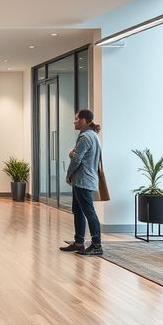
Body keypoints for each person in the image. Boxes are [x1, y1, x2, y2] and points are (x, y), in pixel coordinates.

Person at [59, 109, 103, 256]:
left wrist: (68, 173)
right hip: (83, 179)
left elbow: (77, 158)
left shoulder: (85, 137)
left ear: (85, 120)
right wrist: (74, 154)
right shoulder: (92, 135)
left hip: (83, 180)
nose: (74, 121)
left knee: (89, 212)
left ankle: (96, 245)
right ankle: (79, 242)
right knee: (78, 211)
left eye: (77, 119)